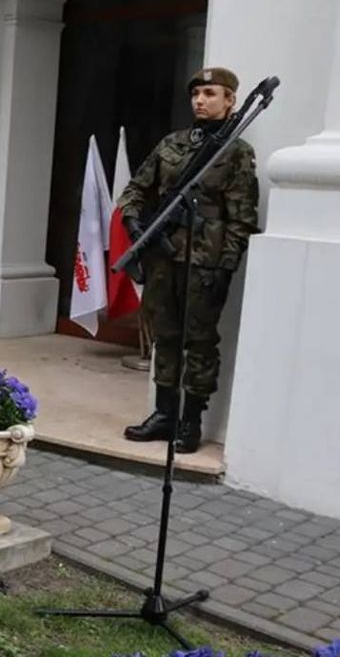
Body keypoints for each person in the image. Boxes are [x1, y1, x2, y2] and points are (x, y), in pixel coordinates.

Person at [117, 67, 260, 454]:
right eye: (196, 93)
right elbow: (135, 189)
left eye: (211, 93)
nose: (201, 100)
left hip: (205, 262)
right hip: (163, 257)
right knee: (166, 335)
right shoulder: (173, 144)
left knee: (198, 342)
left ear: (230, 100)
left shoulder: (236, 152)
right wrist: (134, 224)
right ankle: (164, 414)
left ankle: (190, 421)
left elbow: (241, 219)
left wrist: (225, 268)